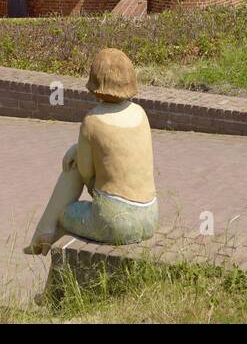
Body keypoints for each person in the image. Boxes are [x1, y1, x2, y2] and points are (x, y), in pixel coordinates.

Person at [25, 48, 158, 255]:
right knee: (77, 157)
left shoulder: (92, 121)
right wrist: (78, 149)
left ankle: (45, 232)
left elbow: (86, 173)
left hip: (115, 224)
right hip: (149, 217)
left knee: (66, 206)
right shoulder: (140, 113)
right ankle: (44, 234)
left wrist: (79, 155)